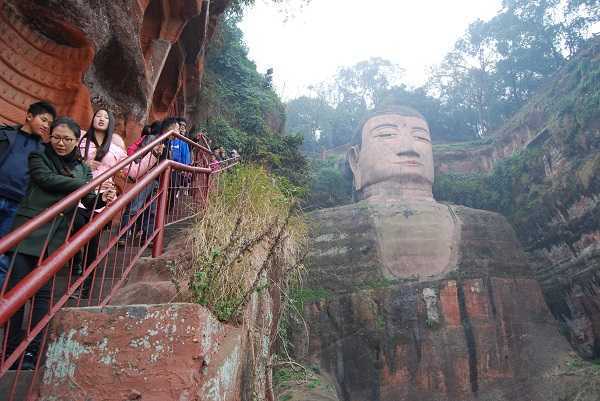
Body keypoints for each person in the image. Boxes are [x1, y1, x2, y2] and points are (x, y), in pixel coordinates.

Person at [5, 116, 114, 369]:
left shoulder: (82, 169)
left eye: (67, 139)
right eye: (56, 137)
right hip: (28, 235)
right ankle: (9, 351)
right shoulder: (38, 157)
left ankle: (31, 351)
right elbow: (47, 180)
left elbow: (86, 203)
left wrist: (102, 198)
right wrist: (89, 185)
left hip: (55, 238)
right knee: (16, 296)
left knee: (42, 298)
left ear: (77, 141)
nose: (61, 143)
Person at [0, 101, 56, 286]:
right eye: (43, 119)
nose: (46, 126)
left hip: (18, 206)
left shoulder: (45, 152)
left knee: (3, 256)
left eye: (49, 123)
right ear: (29, 116)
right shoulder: (4, 135)